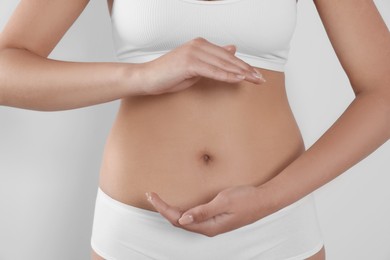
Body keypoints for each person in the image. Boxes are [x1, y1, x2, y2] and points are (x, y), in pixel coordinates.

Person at [0, 0, 388, 259]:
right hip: (136, 235)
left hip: (275, 228)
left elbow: (384, 90)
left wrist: (270, 200)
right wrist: (144, 75)